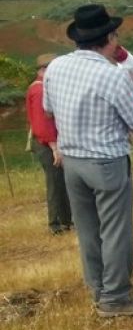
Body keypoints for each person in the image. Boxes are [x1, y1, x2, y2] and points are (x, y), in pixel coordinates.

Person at [42, 4, 133, 317]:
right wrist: (132, 88)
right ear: (110, 38)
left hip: (72, 162)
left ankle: (98, 288)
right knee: (115, 230)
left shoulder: (56, 67)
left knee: (88, 229)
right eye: (116, 36)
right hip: (106, 163)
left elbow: (48, 109)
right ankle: (115, 298)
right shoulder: (113, 76)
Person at [26, 52, 73, 235]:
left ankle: (66, 220)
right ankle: (55, 223)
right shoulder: (39, 91)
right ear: (44, 70)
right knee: (54, 183)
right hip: (46, 143)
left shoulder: (41, 88)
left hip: (49, 142)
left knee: (60, 181)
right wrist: (54, 147)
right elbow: (42, 123)